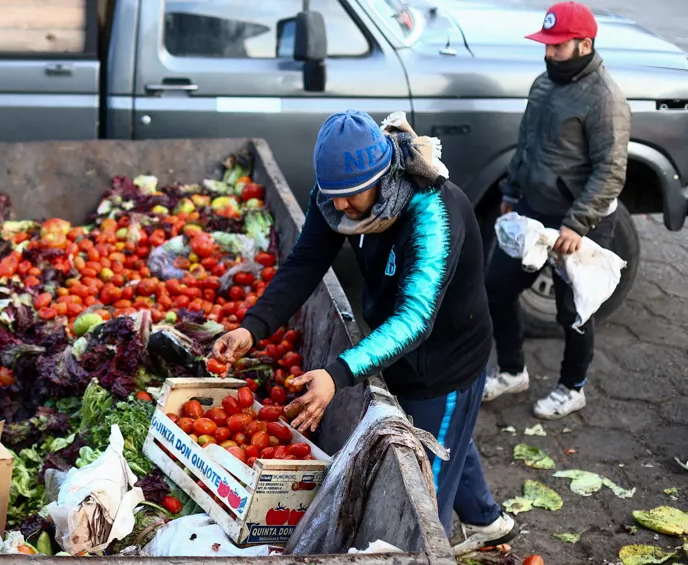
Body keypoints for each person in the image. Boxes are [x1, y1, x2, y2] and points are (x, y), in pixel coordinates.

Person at [210, 110, 516, 552]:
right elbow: (306, 261)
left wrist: (336, 375)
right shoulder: (339, 190)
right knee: (447, 439)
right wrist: (252, 328)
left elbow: (415, 320)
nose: (338, 207)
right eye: (331, 196)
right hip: (392, 346)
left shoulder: (433, 215)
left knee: (422, 497)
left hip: (442, 364)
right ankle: (488, 521)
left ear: (382, 176)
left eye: (349, 197)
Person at [482, 1, 630, 419]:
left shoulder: (605, 99)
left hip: (581, 222)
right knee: (497, 287)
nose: (548, 53)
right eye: (546, 45)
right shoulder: (543, 84)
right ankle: (512, 370)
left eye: (558, 47)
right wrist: (510, 191)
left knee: (574, 310)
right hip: (532, 209)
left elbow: (611, 170)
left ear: (584, 45)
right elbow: (526, 143)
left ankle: (572, 386)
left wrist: (576, 224)